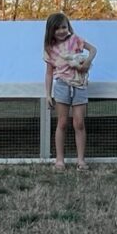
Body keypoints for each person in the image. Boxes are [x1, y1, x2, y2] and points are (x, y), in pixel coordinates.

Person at [42, 12, 97, 170]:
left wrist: (86, 63)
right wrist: (47, 94)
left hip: (79, 85)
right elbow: (49, 73)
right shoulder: (49, 48)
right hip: (61, 85)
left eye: (64, 27)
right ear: (51, 30)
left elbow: (93, 50)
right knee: (62, 122)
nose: (61, 30)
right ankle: (60, 160)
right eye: (57, 28)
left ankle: (81, 160)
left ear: (68, 27)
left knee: (79, 122)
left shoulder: (75, 40)